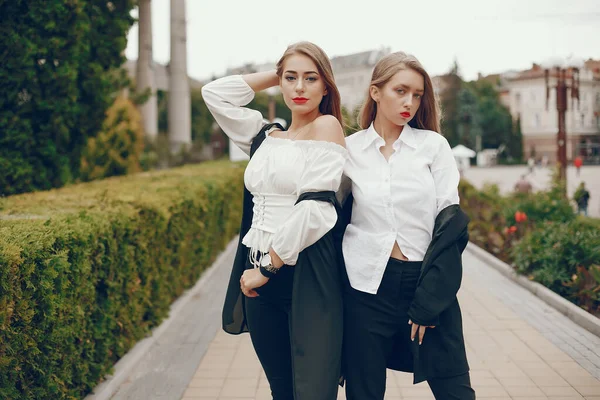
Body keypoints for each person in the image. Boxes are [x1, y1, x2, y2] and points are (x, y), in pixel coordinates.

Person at [202, 41, 347, 400]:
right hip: (257, 277)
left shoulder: (326, 127)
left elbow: (318, 209)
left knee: (313, 391)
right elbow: (214, 94)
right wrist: (275, 73)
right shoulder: (266, 137)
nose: (299, 87)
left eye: (311, 78)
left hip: (303, 272)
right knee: (282, 390)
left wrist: (268, 267)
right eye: (291, 78)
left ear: (325, 86)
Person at [339, 52, 476, 400]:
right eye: (400, 91)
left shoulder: (433, 147)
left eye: (417, 94)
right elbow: (325, 214)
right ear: (375, 91)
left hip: (425, 283)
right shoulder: (349, 150)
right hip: (366, 288)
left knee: (455, 390)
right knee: (364, 393)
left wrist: (430, 300)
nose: (409, 102)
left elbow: (451, 226)